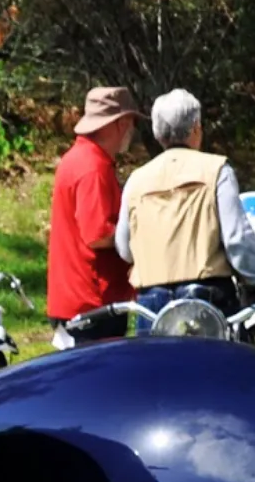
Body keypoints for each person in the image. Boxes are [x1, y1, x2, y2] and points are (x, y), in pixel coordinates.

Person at [116, 88, 255, 317]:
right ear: (196, 128)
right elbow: (236, 241)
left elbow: (124, 248)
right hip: (208, 298)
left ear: (158, 135)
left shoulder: (136, 180)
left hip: (150, 302)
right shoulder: (218, 171)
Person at [46, 86, 143, 347]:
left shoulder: (79, 158)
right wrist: (139, 235)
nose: (132, 130)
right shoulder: (93, 168)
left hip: (76, 301)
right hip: (92, 305)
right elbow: (98, 235)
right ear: (120, 123)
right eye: (131, 122)